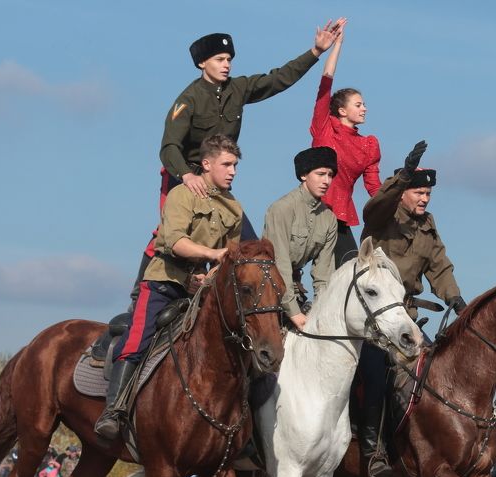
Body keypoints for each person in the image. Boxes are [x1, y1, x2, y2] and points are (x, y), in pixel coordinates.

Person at [132, 23, 345, 295]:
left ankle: (262, 297)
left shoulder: (238, 88)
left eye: (229, 59)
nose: (226, 65)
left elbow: (279, 79)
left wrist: (316, 51)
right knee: (169, 234)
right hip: (184, 176)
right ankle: (140, 290)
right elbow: (169, 146)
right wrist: (186, 176)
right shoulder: (188, 99)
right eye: (219, 59)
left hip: (218, 179)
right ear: (202, 63)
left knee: (249, 244)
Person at [95, 135, 246, 439]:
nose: (232, 171)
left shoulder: (234, 208)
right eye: (227, 164)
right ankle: (114, 411)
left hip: (199, 290)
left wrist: (211, 276)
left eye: (235, 166)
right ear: (207, 164)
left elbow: (228, 258)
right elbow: (175, 242)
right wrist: (212, 254)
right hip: (163, 282)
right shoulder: (182, 195)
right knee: (137, 341)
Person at [356, 140, 466, 477]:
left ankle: (423, 449)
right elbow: (372, 208)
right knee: (376, 377)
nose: (424, 198)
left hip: (407, 319)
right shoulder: (383, 217)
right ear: (403, 192)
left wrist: (457, 301)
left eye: (428, 193)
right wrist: (403, 175)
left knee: (435, 373)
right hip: (374, 321)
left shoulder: (427, 225)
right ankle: (372, 452)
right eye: (418, 192)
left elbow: (440, 266)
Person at [309, 23, 381, 267]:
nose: (365, 108)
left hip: (340, 216)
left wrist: (402, 192)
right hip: (311, 210)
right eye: (358, 105)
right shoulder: (324, 126)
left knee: (353, 269)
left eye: (364, 105)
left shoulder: (368, 145)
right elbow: (325, 84)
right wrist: (336, 45)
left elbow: (375, 189)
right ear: (342, 110)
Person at [262, 146, 339, 329]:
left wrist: (323, 311)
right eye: (320, 174)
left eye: (330, 175)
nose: (327, 181)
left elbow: (324, 274)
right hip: (265, 290)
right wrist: (294, 312)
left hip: (295, 291)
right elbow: (279, 263)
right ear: (304, 175)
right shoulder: (281, 209)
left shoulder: (329, 219)